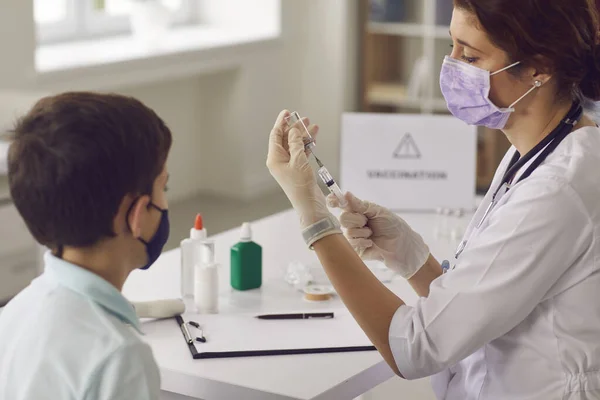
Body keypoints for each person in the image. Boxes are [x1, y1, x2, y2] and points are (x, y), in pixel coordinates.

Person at [267, 1, 600, 398]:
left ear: (538, 68)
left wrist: (313, 216)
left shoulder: (556, 189)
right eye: (452, 47)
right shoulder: (538, 150)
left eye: (470, 55)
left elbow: (415, 347)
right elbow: (480, 304)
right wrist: (410, 256)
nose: (450, 65)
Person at [0, 92, 172, 399]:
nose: (166, 202)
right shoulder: (119, 357)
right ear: (136, 215)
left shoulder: (12, 316)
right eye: (164, 187)